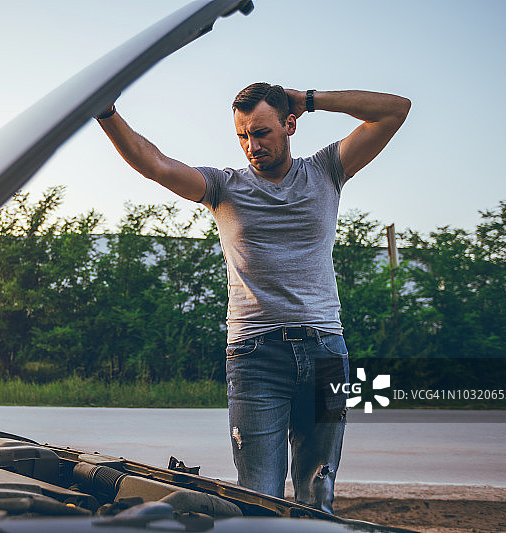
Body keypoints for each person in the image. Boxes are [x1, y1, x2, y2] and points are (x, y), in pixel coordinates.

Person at [95, 84, 410, 513]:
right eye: (243, 135)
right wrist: (107, 113)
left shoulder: (326, 170)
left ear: (289, 125)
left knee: (318, 498)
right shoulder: (223, 187)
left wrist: (312, 98)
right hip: (255, 357)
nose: (252, 146)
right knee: (259, 499)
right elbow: (155, 164)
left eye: (261, 133)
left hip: (325, 350)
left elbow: (394, 111)